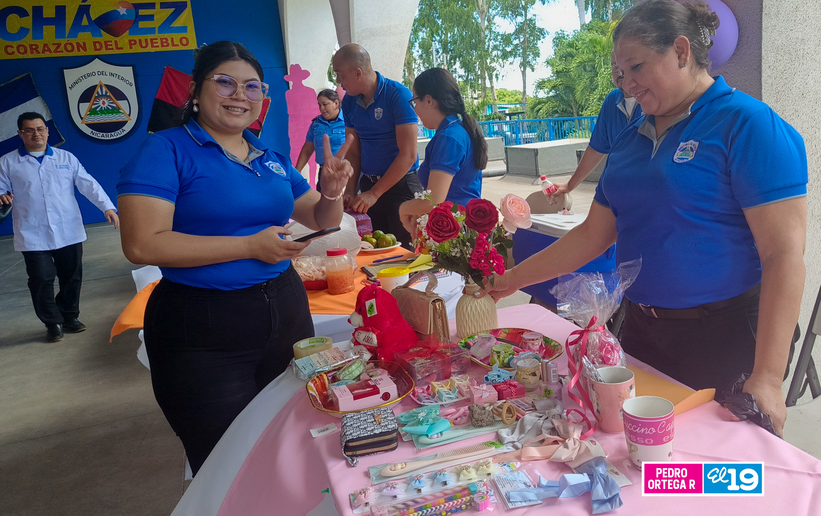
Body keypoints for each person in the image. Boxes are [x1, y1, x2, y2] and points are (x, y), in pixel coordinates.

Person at [486, 0, 807, 437]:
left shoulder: (747, 125)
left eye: (635, 67)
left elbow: (784, 255)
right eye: (620, 73)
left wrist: (768, 378)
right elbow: (592, 235)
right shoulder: (629, 138)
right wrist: (511, 278)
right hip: (639, 330)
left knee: (714, 477)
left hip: (727, 336)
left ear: (680, 51)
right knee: (641, 461)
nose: (627, 84)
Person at [117, 41, 353, 474]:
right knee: (225, 458)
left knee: (291, 432)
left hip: (285, 311)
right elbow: (142, 244)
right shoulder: (165, 150)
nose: (240, 95)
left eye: (252, 86)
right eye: (224, 82)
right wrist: (248, 246)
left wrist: (334, 190)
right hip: (201, 326)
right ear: (195, 90)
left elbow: (320, 215)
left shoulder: (270, 156)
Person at [0, 112, 119, 342]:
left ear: (47, 130)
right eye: (30, 130)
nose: (37, 134)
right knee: (41, 278)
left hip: (67, 228)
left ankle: (70, 316)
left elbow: (88, 184)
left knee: (71, 276)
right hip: (32, 231)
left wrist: (107, 207)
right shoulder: (7, 162)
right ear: (20, 134)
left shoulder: (66, 158)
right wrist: (1, 196)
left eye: (40, 129)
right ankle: (52, 322)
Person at [332, 44, 421, 247]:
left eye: (340, 75)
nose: (338, 82)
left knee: (407, 251)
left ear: (357, 73)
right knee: (376, 249)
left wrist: (375, 194)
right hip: (369, 187)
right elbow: (354, 153)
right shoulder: (349, 102)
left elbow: (408, 155)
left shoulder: (397, 95)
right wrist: (350, 191)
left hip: (401, 187)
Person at [398, 68, 488, 239]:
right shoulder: (457, 130)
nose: (415, 110)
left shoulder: (449, 138)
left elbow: (434, 200)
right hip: (460, 228)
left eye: (415, 102)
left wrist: (403, 209)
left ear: (429, 101)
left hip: (456, 233)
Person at [552, 53, 642, 198]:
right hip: (618, 190)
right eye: (614, 65)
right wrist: (569, 185)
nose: (619, 72)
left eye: (625, 65)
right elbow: (596, 148)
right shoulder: (612, 101)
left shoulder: (655, 100)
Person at [294, 88, 346, 191]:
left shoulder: (348, 122)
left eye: (325, 104)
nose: (322, 108)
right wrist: (297, 172)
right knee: (323, 204)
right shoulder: (316, 124)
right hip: (324, 172)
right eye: (319, 105)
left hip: (344, 172)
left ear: (336, 103)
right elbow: (307, 149)